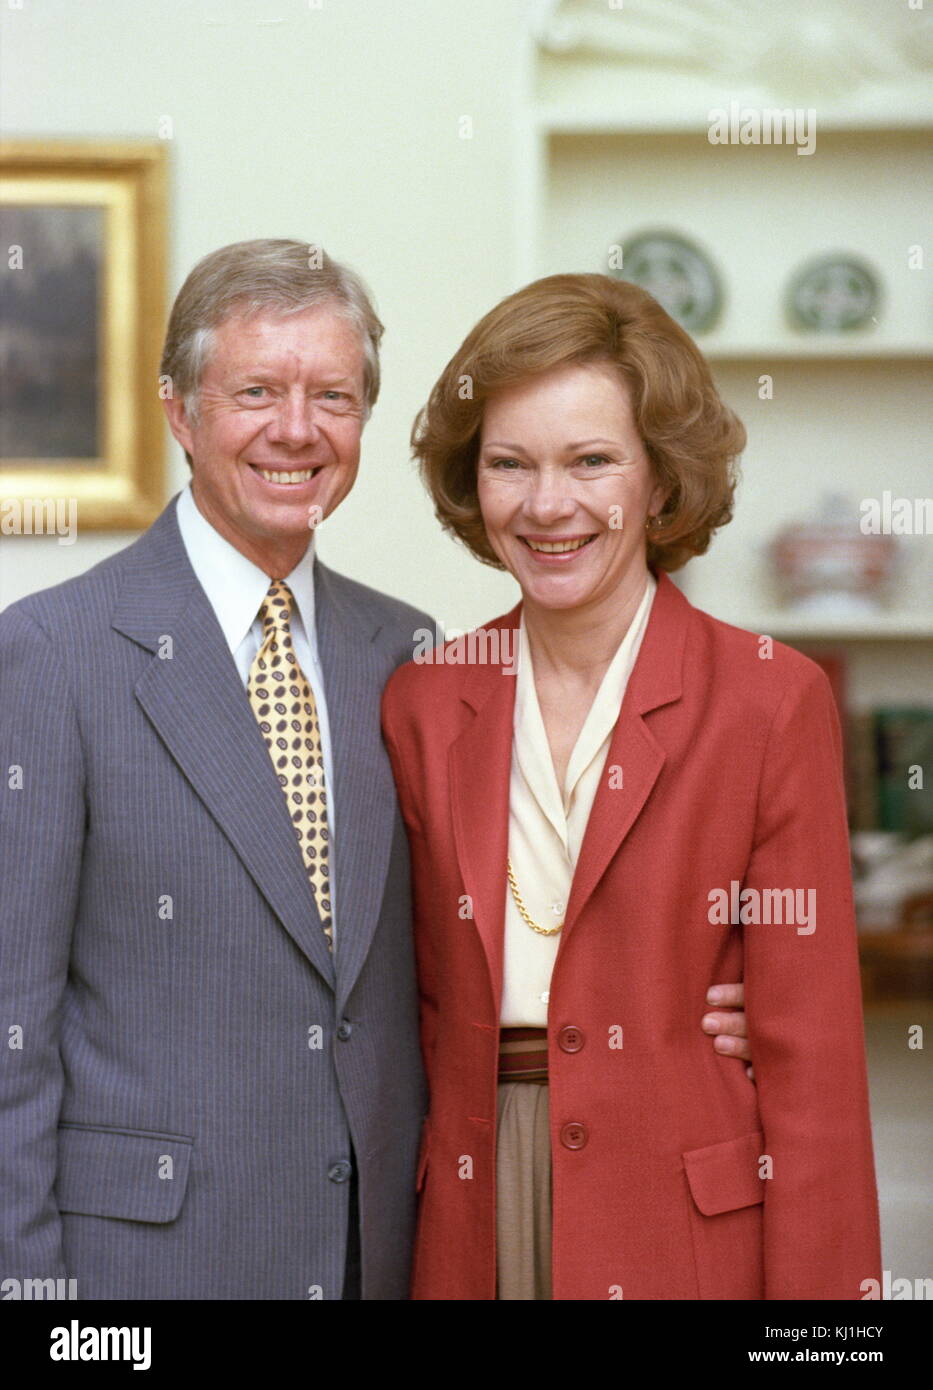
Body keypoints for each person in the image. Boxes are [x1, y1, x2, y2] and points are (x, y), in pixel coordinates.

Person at [0, 241, 749, 1301]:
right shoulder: (51, 653)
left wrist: (726, 1004)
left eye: (333, 395)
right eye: (256, 391)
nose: (297, 429)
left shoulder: (410, 657)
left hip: (383, 1253)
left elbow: (484, 946)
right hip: (146, 1272)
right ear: (179, 412)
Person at [381, 272, 882, 1300]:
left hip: (682, 1218)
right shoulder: (424, 700)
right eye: (510, 464)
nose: (548, 504)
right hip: (472, 1209)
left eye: (591, 461)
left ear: (659, 483)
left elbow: (814, 1068)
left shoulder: (770, 702)